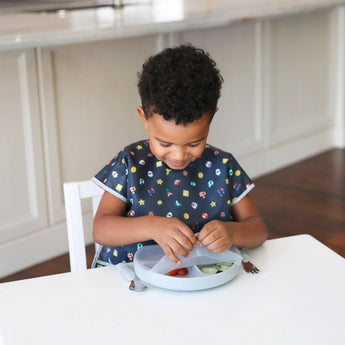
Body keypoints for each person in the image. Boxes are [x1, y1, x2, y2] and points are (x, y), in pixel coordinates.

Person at [91, 44, 268, 268]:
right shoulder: (131, 161)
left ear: (211, 117)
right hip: (133, 279)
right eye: (164, 143)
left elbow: (258, 229)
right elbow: (101, 229)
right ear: (144, 117)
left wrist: (232, 232)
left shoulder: (222, 166)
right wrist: (152, 226)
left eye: (195, 143)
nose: (179, 155)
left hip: (201, 279)